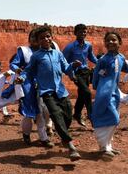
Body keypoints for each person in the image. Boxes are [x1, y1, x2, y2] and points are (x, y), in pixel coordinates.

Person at [17, 26, 82, 160]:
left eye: (48, 36)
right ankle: (70, 146)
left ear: (51, 37)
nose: (46, 39)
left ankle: (62, 133)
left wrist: (73, 66)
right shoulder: (36, 56)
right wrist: (22, 78)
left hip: (61, 91)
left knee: (68, 114)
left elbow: (66, 68)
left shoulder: (58, 54)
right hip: (47, 91)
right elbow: (28, 71)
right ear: (38, 41)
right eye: (42, 38)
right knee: (55, 114)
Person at [91, 31, 128, 160]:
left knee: (113, 119)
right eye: (108, 40)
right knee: (113, 118)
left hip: (115, 92)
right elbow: (95, 77)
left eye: (114, 40)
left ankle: (107, 146)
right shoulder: (103, 60)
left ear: (120, 43)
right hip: (104, 93)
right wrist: (98, 88)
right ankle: (103, 145)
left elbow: (124, 66)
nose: (111, 42)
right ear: (105, 43)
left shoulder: (120, 57)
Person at [10, 29, 53, 148]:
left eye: (36, 37)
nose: (34, 39)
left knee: (42, 111)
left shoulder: (45, 52)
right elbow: (13, 64)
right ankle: (26, 134)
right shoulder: (24, 51)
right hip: (27, 84)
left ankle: (43, 138)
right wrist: (17, 70)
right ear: (29, 39)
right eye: (32, 37)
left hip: (41, 84)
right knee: (29, 113)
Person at [63, 24, 98, 127]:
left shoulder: (88, 45)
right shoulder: (70, 47)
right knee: (87, 93)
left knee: (82, 94)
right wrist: (70, 73)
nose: (82, 34)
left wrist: (101, 62)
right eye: (80, 32)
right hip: (76, 73)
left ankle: (77, 114)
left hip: (86, 72)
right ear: (75, 33)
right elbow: (63, 61)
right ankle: (92, 117)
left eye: (84, 32)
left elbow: (92, 57)